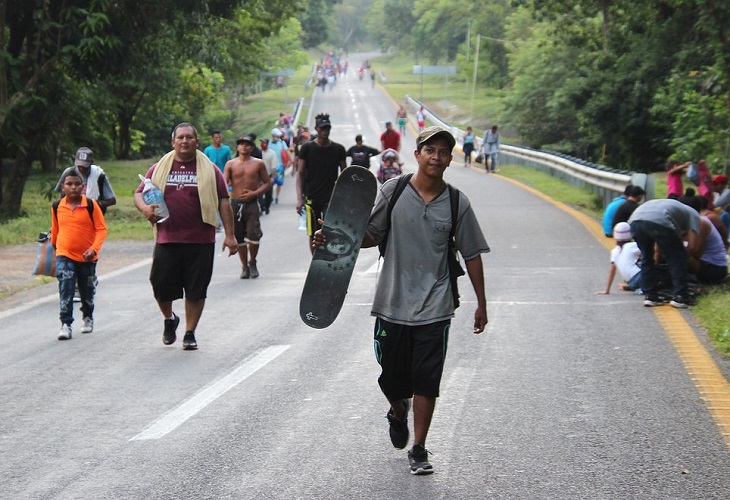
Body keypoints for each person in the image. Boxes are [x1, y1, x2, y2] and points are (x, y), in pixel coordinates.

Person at [314, 126, 489, 475]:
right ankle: (398, 411)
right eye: (430, 150)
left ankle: (419, 448)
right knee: (392, 379)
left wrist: (483, 303)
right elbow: (370, 235)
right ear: (418, 153)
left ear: (449, 159)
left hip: (435, 306)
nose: (436, 157)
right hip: (392, 303)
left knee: (427, 379)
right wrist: (334, 239)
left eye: (443, 152)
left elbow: (471, 254)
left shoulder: (457, 203)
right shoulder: (393, 191)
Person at [134, 122, 238, 350]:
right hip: (167, 238)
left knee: (196, 289)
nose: (184, 141)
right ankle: (170, 318)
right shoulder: (159, 168)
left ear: (197, 141)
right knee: (160, 285)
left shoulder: (210, 169)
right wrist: (144, 209)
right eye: (180, 137)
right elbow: (139, 192)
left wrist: (230, 235)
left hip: (201, 240)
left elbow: (223, 200)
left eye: (189, 137)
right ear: (173, 142)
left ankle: (190, 332)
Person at [51, 168, 108, 340]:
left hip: (87, 257)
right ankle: (66, 324)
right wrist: (55, 249)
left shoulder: (91, 205)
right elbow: (56, 230)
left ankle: (87, 317)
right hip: (64, 254)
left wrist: (93, 249)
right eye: (69, 184)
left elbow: (101, 229)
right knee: (66, 287)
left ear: (82, 187)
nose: (73, 187)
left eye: (77, 184)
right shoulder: (57, 206)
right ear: (63, 187)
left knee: (86, 290)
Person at [628, 198, 701, 308]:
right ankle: (680, 297)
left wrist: (657, 263)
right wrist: (683, 259)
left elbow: (657, 250)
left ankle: (650, 296)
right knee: (677, 257)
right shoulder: (693, 214)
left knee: (647, 258)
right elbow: (693, 246)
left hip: (635, 220)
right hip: (658, 220)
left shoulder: (674, 209)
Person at [296, 113, 347, 254]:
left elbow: (345, 175)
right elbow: (300, 174)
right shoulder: (307, 148)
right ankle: (315, 262)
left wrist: (346, 198)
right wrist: (300, 199)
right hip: (311, 197)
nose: (325, 131)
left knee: (331, 230)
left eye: (328, 128)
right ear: (316, 129)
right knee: (313, 233)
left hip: (331, 198)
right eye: (322, 128)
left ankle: (329, 258)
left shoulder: (338, 149)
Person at [224, 135, 271, 279]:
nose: (244, 146)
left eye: (247, 144)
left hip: (251, 204)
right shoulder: (231, 164)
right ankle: (244, 266)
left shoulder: (258, 164)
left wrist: (254, 193)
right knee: (239, 237)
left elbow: (267, 183)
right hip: (235, 204)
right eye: (241, 144)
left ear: (252, 147)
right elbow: (224, 184)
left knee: (253, 234)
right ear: (237, 147)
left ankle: (252, 261)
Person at [680, 195, 729, 284]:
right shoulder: (691, 222)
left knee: (681, 255)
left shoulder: (701, 223)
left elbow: (696, 252)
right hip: (704, 263)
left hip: (716, 269)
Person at [55, 147, 117, 214]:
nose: (81, 168)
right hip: (71, 214)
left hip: (91, 216)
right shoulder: (69, 173)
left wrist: (94, 204)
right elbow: (62, 195)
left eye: (84, 166)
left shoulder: (98, 175)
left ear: (91, 163)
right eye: (79, 165)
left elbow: (112, 200)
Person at [596, 222, 642, 295]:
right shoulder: (632, 246)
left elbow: (612, 271)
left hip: (630, 281)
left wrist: (607, 290)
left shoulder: (614, 251)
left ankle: (634, 287)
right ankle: (643, 288)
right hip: (640, 276)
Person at [269, 127, 290, 204]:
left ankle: (276, 197)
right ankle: (270, 196)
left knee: (279, 182)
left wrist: (290, 160)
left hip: (280, 166)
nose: (277, 137)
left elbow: (287, 152)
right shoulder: (269, 143)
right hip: (271, 167)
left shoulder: (282, 143)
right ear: (272, 135)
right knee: (270, 182)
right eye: (276, 135)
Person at [258, 138, 278, 215]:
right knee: (259, 193)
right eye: (262, 142)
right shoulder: (258, 152)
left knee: (268, 194)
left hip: (268, 175)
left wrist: (272, 177)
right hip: (259, 176)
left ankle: (267, 207)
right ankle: (262, 206)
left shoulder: (272, 153)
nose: (263, 144)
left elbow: (274, 167)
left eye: (264, 142)